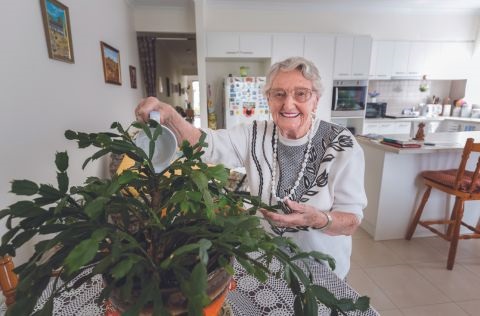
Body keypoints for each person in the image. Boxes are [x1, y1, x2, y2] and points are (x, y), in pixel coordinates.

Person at [135, 57, 367, 279]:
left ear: (316, 99)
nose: (288, 103)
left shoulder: (342, 144)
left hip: (322, 271)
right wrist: (169, 116)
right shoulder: (254, 133)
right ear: (269, 99)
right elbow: (205, 145)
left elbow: (351, 221)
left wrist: (317, 219)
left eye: (301, 93)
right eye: (279, 94)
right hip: (267, 262)